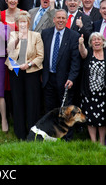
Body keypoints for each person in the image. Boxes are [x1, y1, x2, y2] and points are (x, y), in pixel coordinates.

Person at [41, 10, 81, 140]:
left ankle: (67, 139)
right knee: (50, 110)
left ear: (66, 20)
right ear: (54, 19)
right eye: (58, 18)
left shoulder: (73, 36)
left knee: (66, 112)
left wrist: (71, 78)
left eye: (63, 18)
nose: (60, 20)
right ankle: (50, 137)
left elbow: (76, 61)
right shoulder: (45, 33)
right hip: (48, 79)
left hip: (65, 81)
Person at [5, 11, 44, 140]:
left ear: (28, 23)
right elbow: (9, 51)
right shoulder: (12, 35)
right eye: (20, 22)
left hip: (31, 73)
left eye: (25, 22)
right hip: (16, 72)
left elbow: (40, 56)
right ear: (17, 23)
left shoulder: (36, 35)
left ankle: (32, 132)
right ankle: (20, 133)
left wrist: (29, 64)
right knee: (18, 101)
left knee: (32, 102)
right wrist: (18, 38)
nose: (22, 24)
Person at [78, 32, 106, 145]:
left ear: (103, 41)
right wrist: (81, 44)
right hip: (89, 92)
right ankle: (93, 141)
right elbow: (83, 53)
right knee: (90, 117)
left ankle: (101, 141)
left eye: (99, 39)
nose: (96, 41)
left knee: (103, 118)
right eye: (94, 40)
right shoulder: (89, 53)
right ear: (91, 43)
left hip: (104, 92)